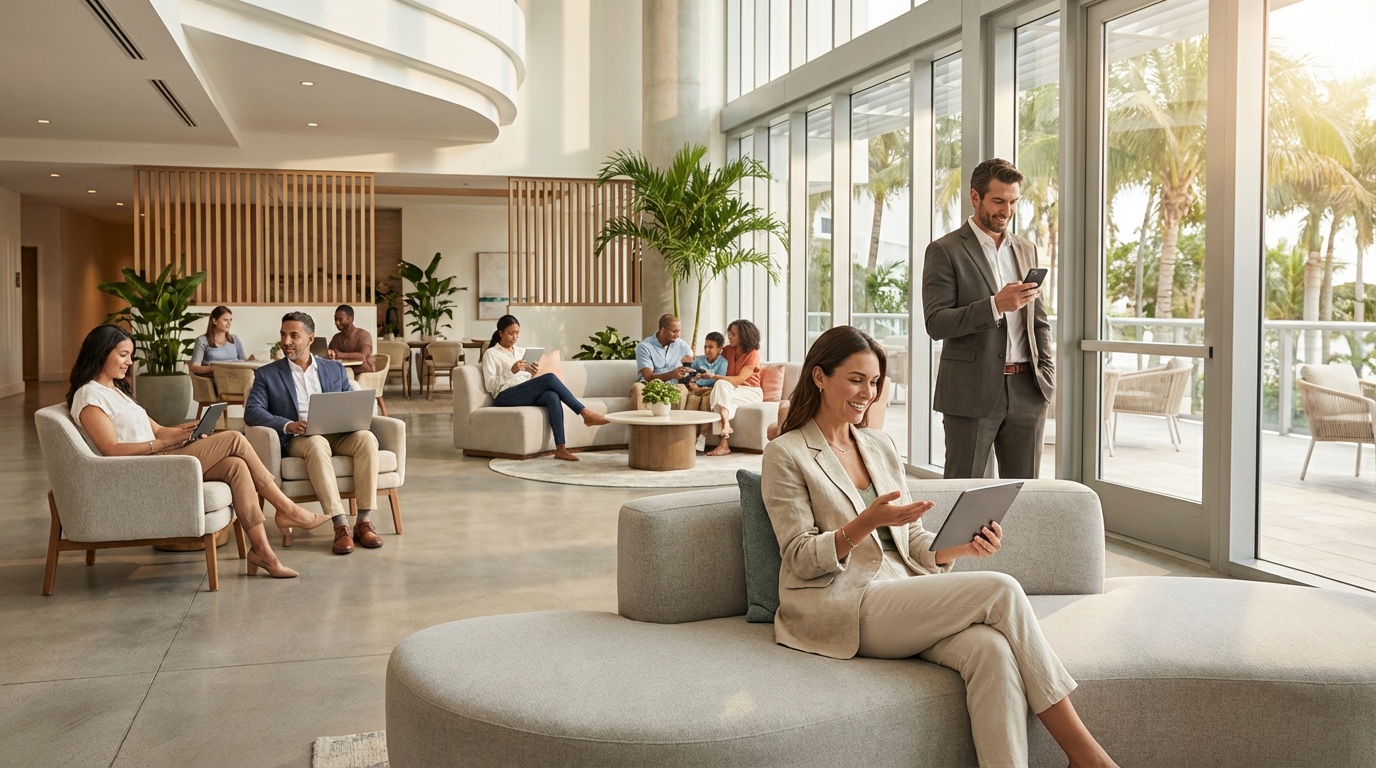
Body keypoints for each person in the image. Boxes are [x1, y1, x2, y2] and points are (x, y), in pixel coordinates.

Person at [761, 326, 1116, 768]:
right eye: (855, 380)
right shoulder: (787, 453)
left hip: (903, 594)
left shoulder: (879, 445)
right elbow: (798, 556)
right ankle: (1087, 757)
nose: (867, 393)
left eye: (874, 382)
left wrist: (961, 547)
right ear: (819, 376)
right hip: (844, 604)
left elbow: (911, 540)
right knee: (1001, 589)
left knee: (991, 650)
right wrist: (865, 523)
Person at [67, 325, 329, 578]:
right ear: (101, 353)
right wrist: (165, 445)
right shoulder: (89, 396)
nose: (129, 362)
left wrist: (186, 430)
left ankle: (263, 554)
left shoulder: (116, 391)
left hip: (156, 460)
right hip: (143, 470)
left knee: (236, 467)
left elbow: (157, 430)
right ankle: (286, 508)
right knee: (234, 438)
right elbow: (111, 450)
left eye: (130, 356)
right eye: (123, 355)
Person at [922, 158, 1053, 479]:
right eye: (998, 201)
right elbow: (936, 322)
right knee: (964, 491)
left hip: (1028, 390)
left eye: (1013, 202)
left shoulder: (1026, 248)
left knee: (1023, 493)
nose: (1007, 211)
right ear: (975, 197)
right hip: (970, 391)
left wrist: (1046, 371)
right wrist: (995, 305)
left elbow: (1038, 320)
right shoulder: (945, 250)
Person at [244, 312, 383, 555]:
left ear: (310, 339)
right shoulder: (267, 374)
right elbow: (252, 412)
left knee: (367, 439)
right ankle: (340, 524)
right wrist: (288, 424)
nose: (286, 341)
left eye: (293, 335)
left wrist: (351, 419)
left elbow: (345, 402)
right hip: (299, 438)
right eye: (283, 335)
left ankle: (364, 521)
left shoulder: (334, 369)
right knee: (317, 443)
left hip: (337, 433)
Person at [482, 314, 611, 462]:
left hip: (522, 392)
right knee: (549, 378)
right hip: (504, 396)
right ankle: (585, 413)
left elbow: (523, 378)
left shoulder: (520, 352)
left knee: (551, 396)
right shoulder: (491, 354)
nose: (515, 337)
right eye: (511, 333)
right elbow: (490, 385)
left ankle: (561, 449)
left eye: (517, 333)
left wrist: (531, 372)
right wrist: (512, 370)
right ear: (501, 333)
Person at [699, 319, 764, 457]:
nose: (729, 336)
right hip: (730, 390)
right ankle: (725, 431)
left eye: (733, 334)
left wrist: (713, 376)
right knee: (720, 388)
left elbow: (739, 380)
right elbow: (712, 360)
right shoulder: (727, 350)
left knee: (719, 389)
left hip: (750, 391)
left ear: (744, 335)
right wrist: (692, 359)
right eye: (729, 333)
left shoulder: (753, 354)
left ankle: (724, 440)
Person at [629, 314, 695, 412]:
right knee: (638, 388)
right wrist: (672, 374)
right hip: (648, 385)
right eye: (674, 331)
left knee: (681, 388)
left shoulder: (682, 345)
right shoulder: (644, 347)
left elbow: (692, 365)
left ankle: (676, 421)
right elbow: (648, 377)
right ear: (662, 330)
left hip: (673, 386)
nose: (677, 335)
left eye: (679, 331)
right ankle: (642, 422)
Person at [188, 305, 253, 376]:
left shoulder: (235, 339)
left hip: (236, 376)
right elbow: (194, 367)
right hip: (216, 378)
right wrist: (217, 369)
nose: (229, 323)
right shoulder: (202, 340)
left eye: (230, 320)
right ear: (215, 321)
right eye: (225, 320)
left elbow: (243, 362)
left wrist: (250, 361)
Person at [683, 331, 728, 412]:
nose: (707, 350)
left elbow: (719, 383)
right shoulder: (698, 360)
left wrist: (703, 390)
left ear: (720, 348)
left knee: (706, 400)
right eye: (705, 346)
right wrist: (692, 385)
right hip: (695, 388)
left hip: (710, 390)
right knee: (693, 400)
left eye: (710, 347)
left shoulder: (723, 363)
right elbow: (688, 376)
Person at [328, 304, 375, 373]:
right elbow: (330, 355)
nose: (337, 323)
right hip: (343, 371)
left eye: (340, 319)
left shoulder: (364, 335)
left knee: (346, 372)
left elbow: (363, 357)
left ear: (350, 319)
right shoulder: (336, 338)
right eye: (335, 319)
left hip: (363, 372)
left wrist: (340, 355)